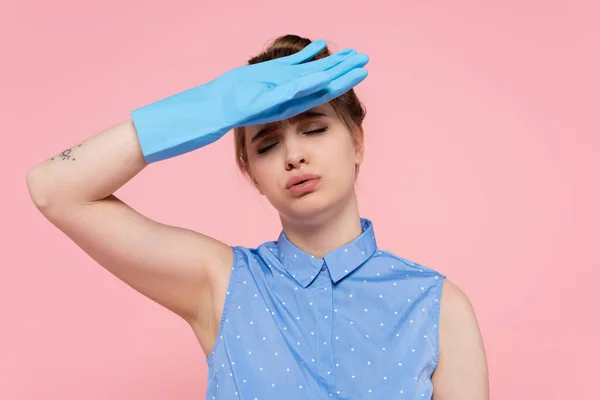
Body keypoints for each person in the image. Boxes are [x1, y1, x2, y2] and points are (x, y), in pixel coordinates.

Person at [26, 34, 489, 399]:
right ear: (250, 172)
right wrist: (205, 108)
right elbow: (53, 189)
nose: (293, 155)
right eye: (267, 144)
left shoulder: (437, 306)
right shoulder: (223, 283)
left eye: (314, 128)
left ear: (358, 141)